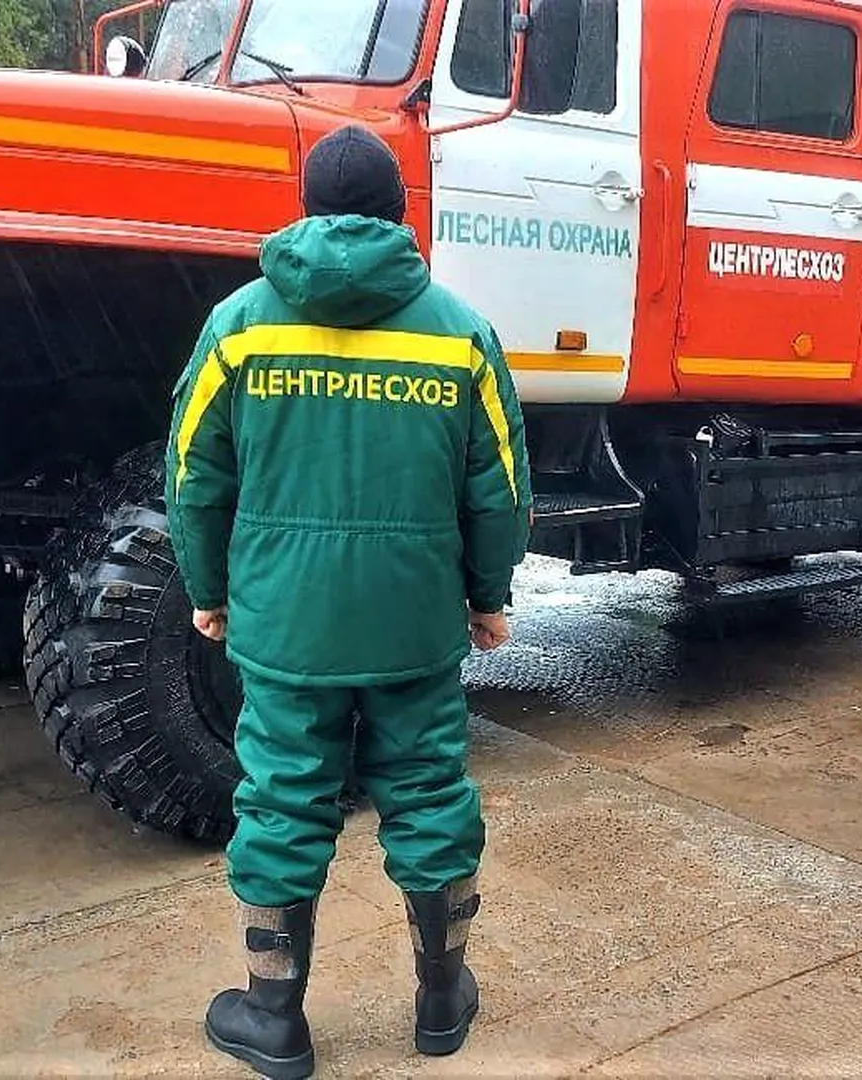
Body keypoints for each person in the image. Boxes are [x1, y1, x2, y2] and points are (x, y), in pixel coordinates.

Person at [163, 124, 532, 1080]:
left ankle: (274, 1016)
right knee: (427, 795)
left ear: (308, 209)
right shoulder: (459, 332)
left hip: (287, 625)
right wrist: (487, 597)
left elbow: (196, 477)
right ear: (399, 212)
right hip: (414, 622)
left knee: (284, 800)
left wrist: (208, 590)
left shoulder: (240, 326)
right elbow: (498, 487)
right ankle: (443, 1000)